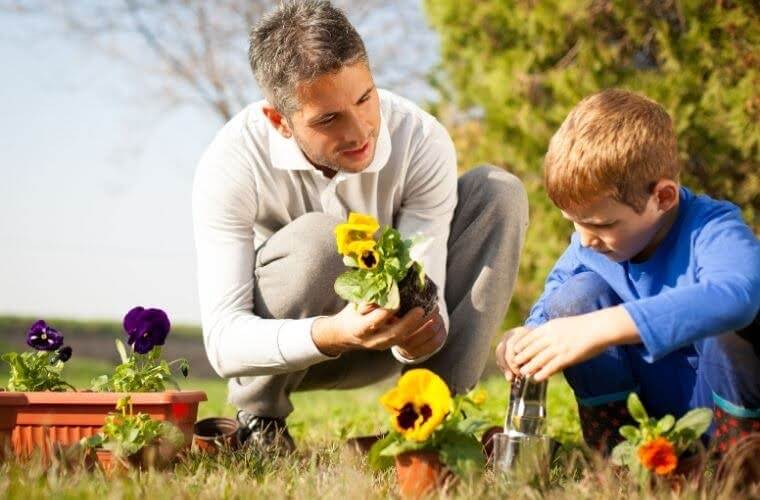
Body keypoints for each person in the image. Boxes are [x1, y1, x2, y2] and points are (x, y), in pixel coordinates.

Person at [193, 0, 529, 452]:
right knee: (320, 240)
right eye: (328, 119)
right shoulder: (231, 161)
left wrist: (417, 334)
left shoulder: (421, 139)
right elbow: (223, 341)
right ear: (280, 121)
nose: (360, 132)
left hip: (384, 347)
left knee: (499, 192)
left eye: (365, 98)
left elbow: (426, 277)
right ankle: (261, 423)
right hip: (287, 351)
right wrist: (334, 332)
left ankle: (428, 426)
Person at [496, 89, 760, 453]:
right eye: (574, 224)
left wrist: (603, 327)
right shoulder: (592, 244)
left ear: (663, 198)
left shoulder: (712, 228)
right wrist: (528, 337)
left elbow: (738, 297)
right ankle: (617, 454)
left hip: (719, 408)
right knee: (574, 298)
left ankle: (740, 463)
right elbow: (558, 294)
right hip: (645, 420)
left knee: (738, 323)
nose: (585, 241)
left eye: (602, 225)